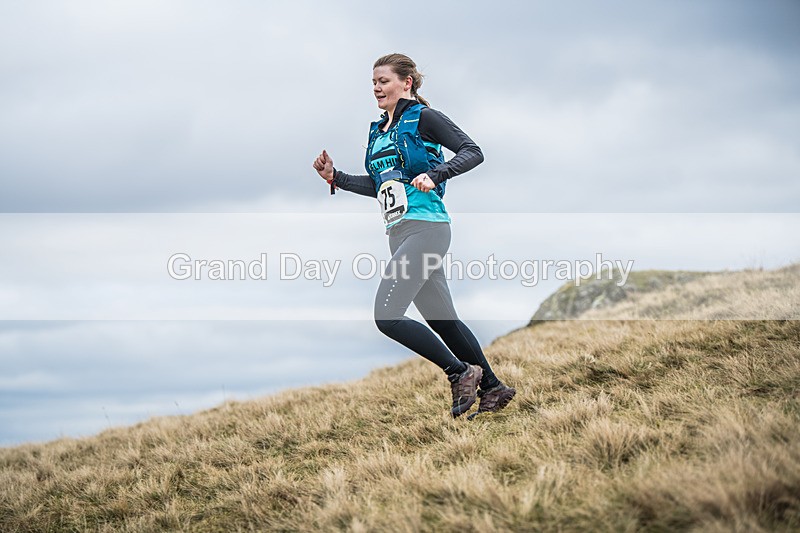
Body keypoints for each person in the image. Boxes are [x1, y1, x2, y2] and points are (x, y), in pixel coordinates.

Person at [312, 53, 515, 419]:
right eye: (373, 82)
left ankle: (459, 371)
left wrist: (438, 174)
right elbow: (381, 185)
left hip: (428, 228)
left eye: (384, 80)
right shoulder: (377, 130)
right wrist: (336, 178)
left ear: (406, 82)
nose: (377, 87)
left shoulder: (424, 117)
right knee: (442, 320)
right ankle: (495, 389)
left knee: (387, 317)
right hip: (399, 233)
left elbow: (473, 152)